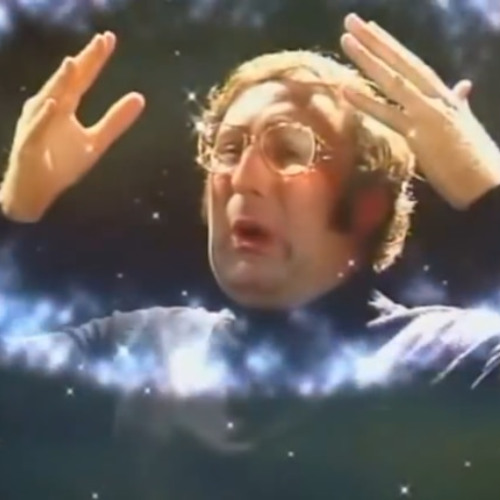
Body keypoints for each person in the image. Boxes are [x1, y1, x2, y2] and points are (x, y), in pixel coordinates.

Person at [2, 12, 500, 500]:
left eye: (290, 151)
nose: (242, 178)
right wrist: (17, 206)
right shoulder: (139, 349)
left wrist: (488, 190)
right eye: (229, 149)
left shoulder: (452, 358)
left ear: (369, 200)